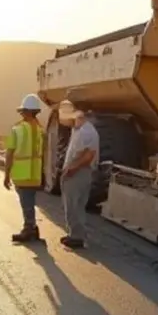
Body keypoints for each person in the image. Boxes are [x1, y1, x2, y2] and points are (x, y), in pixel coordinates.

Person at [3, 94, 46, 243]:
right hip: (35, 175)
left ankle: (29, 229)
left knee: (26, 204)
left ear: (27, 111)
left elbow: (9, 152)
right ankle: (32, 228)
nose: (21, 114)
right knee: (30, 202)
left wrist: (6, 174)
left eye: (22, 111)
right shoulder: (41, 130)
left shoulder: (16, 129)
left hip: (21, 174)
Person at [59, 104, 100, 249]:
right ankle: (75, 234)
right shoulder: (79, 130)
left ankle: (76, 237)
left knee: (73, 205)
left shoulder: (87, 132)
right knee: (74, 205)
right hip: (77, 171)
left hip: (78, 173)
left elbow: (89, 155)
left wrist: (72, 169)